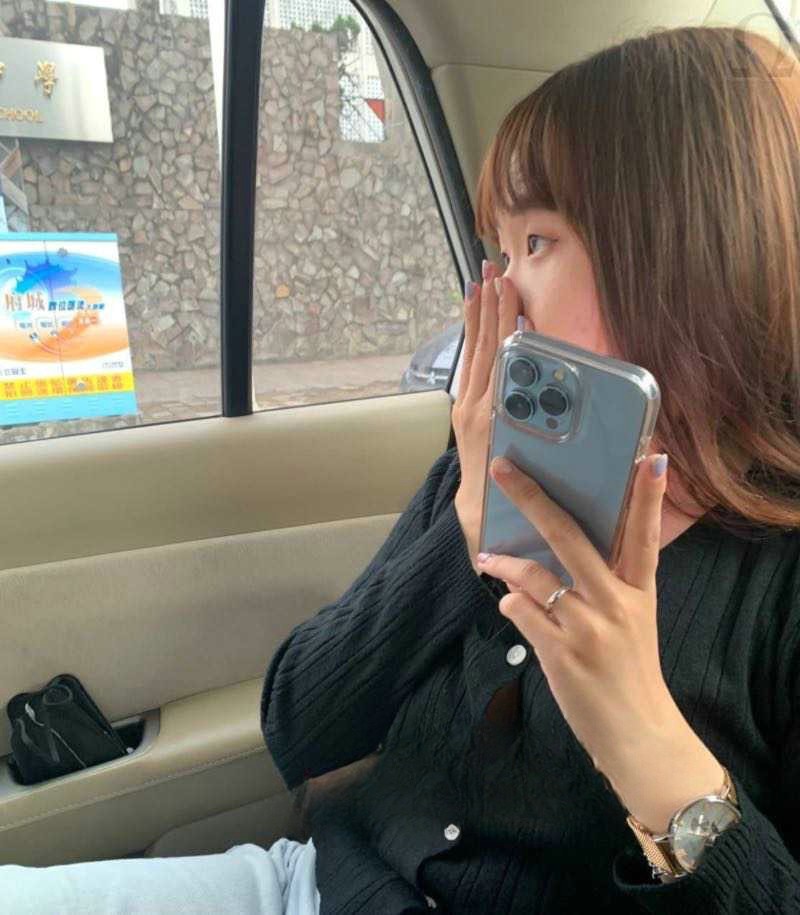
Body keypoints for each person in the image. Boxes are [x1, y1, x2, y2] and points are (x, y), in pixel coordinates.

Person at [1, 22, 799, 914]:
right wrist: (463, 528)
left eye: (537, 242)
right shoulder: (488, 462)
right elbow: (300, 724)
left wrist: (652, 749)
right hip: (311, 887)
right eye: (499, 252)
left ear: (683, 252)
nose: (501, 295)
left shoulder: (777, 576)